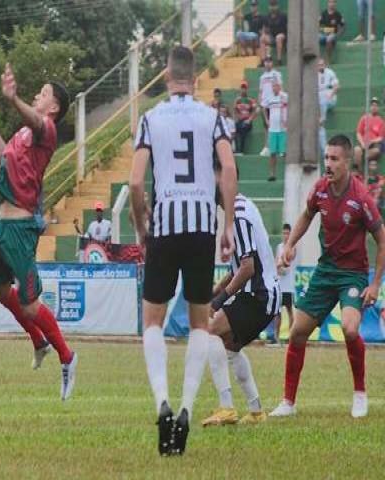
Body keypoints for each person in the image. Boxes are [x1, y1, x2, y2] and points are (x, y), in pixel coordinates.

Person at [130, 45, 237, 456]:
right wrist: (227, 224)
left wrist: (142, 227)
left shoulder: (150, 118)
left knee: (152, 321)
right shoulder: (213, 118)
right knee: (199, 324)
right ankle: (188, 407)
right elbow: (227, 168)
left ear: (165, 76)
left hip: (167, 223)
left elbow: (137, 183)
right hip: (200, 226)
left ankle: (162, 400)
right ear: (195, 80)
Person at [0, 63, 78, 400]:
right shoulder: (22, 136)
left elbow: (35, 119)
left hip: (20, 227)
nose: (38, 95)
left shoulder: (45, 129)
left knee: (30, 303)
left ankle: (68, 356)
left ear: (54, 108)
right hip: (4, 225)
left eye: (43, 93)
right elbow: (2, 157)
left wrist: (13, 98)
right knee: (1, 290)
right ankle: (39, 342)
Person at [270, 134, 385, 419]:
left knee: (349, 328)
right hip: (325, 272)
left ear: (347, 162)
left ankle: (359, 394)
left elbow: (382, 240)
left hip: (353, 276)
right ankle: (288, 402)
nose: (328, 164)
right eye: (327, 158)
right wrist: (290, 244)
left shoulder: (361, 198)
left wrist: (374, 284)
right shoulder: (320, 189)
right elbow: (307, 216)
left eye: (334, 159)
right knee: (297, 331)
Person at [202, 188, 280, 427]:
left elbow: (247, 269)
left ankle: (226, 408)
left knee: (210, 331)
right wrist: (213, 293)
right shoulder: (243, 205)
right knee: (230, 347)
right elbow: (238, 269)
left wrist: (217, 302)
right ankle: (256, 411)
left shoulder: (237, 216)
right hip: (262, 295)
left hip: (259, 296)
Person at [271, 223, 296, 345]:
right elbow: (278, 262)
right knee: (277, 312)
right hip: (280, 286)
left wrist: (276, 267)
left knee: (290, 311)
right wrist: (277, 268)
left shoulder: (292, 247)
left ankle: (291, 337)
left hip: (289, 287)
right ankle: (276, 337)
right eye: (284, 233)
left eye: (287, 233)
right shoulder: (279, 247)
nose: (285, 236)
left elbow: (286, 265)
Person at [264, 80, 288, 181]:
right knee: (272, 153)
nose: (275, 88)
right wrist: (266, 119)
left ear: (280, 86)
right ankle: (272, 174)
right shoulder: (269, 97)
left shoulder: (284, 96)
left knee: (284, 153)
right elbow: (264, 108)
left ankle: (288, 173)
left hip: (283, 129)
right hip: (272, 129)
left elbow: (289, 107)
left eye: (277, 86)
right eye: (273, 86)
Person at [258, 56, 282, 156]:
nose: (267, 64)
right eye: (266, 62)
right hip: (265, 104)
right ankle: (267, 147)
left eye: (269, 61)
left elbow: (280, 87)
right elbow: (261, 91)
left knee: (277, 125)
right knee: (267, 126)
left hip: (275, 103)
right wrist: (260, 100)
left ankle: (279, 148)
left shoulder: (276, 74)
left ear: (272, 63)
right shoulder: (262, 77)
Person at [354, 97, 385, 171]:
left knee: (376, 151)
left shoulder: (381, 121)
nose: (374, 107)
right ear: (370, 107)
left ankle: (362, 157)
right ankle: (359, 174)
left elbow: (381, 137)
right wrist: (362, 143)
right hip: (363, 144)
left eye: (376, 105)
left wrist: (372, 141)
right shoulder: (364, 118)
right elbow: (358, 133)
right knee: (357, 150)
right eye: (372, 105)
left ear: (378, 108)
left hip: (373, 145)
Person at [234, 80, 258, 155]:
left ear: (247, 89)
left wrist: (250, 119)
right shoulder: (237, 100)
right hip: (240, 121)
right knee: (233, 128)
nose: (243, 90)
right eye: (242, 88)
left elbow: (256, 110)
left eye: (245, 88)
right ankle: (236, 149)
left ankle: (241, 150)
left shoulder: (250, 100)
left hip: (248, 122)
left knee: (243, 128)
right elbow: (234, 110)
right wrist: (238, 117)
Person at [260, 0, 287, 66]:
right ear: (269, 7)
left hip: (283, 36)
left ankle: (279, 60)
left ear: (277, 6)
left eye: (274, 5)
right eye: (271, 5)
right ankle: (263, 61)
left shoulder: (283, 16)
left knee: (278, 37)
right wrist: (263, 34)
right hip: (273, 38)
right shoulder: (267, 17)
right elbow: (264, 29)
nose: (273, 7)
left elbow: (288, 28)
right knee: (262, 38)